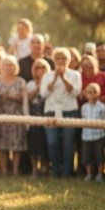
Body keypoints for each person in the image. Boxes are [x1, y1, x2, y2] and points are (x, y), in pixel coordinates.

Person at [39, 48, 82, 178]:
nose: (61, 61)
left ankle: (67, 171)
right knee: (52, 142)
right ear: (53, 60)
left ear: (69, 60)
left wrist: (63, 78)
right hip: (51, 112)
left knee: (68, 143)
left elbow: (75, 92)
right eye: (58, 58)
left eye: (63, 58)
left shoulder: (75, 75)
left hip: (69, 111)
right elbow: (44, 94)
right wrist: (54, 79)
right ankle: (56, 170)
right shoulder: (47, 75)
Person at [0, 56, 27, 176]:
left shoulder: (21, 81)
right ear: (1, 67)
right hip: (0, 115)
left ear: (15, 67)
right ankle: (4, 170)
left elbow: (25, 100)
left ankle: (15, 170)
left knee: (16, 144)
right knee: (1, 144)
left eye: (10, 65)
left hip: (16, 115)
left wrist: (14, 97)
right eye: (5, 65)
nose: (8, 67)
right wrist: (1, 97)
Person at [26, 58, 51, 176]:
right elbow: (28, 99)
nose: (40, 70)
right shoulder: (30, 84)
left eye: (43, 67)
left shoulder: (51, 81)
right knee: (34, 144)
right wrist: (38, 88)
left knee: (47, 143)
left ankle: (45, 168)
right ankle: (34, 170)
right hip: (34, 117)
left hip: (48, 115)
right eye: (37, 68)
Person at [80, 83, 105, 181]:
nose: (92, 95)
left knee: (100, 155)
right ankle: (89, 174)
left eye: (94, 92)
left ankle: (100, 174)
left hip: (99, 135)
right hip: (86, 135)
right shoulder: (84, 107)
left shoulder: (103, 107)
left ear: (99, 93)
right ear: (86, 94)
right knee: (87, 155)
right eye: (89, 93)